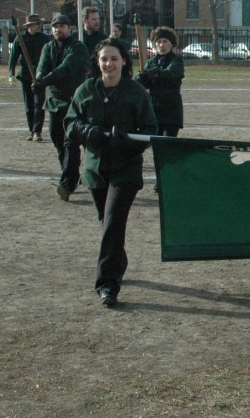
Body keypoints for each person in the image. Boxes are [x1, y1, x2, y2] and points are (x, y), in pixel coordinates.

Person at [65, 38, 158, 307]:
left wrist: (127, 139)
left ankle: (107, 285)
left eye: (114, 58)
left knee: (114, 224)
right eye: (104, 59)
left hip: (125, 171)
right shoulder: (85, 90)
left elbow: (150, 130)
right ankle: (118, 262)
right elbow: (70, 123)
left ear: (124, 61)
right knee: (107, 226)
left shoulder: (136, 92)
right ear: (97, 62)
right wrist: (86, 131)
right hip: (95, 170)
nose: (109, 64)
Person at [33, 13, 91, 201]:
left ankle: (68, 182)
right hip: (56, 102)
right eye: (55, 26)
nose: (59, 29)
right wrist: (39, 78)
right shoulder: (48, 47)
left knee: (70, 141)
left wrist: (44, 81)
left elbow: (66, 69)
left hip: (74, 102)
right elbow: (42, 66)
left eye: (62, 26)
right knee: (56, 138)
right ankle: (69, 174)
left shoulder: (78, 48)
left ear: (70, 28)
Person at [8, 14, 51, 142]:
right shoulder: (20, 39)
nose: (38, 26)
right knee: (29, 106)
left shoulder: (44, 39)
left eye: (38, 24)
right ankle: (31, 130)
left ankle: (37, 131)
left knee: (39, 104)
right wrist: (11, 74)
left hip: (40, 76)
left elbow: (51, 56)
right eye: (35, 24)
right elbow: (13, 57)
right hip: (26, 76)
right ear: (29, 26)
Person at [136, 26, 184, 138]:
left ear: (171, 44)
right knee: (156, 144)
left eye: (165, 41)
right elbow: (142, 84)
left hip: (171, 112)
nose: (162, 45)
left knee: (167, 145)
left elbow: (170, 75)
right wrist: (140, 78)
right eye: (159, 42)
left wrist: (153, 73)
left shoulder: (176, 61)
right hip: (154, 111)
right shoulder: (150, 62)